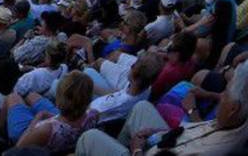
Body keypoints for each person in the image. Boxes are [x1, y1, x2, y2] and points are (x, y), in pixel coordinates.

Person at [76, 59, 248, 155]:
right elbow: (193, 134)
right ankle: (118, 147)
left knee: (89, 137)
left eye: (225, 94)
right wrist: (160, 133)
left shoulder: (216, 150)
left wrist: (136, 150)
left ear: (233, 108)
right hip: (169, 140)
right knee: (142, 106)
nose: (221, 96)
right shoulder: (236, 122)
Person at [7, 70, 97, 152]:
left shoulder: (47, 130)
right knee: (31, 95)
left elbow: (17, 150)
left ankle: (1, 136)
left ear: (58, 98)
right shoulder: (93, 116)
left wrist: (38, 117)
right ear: (88, 99)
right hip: (60, 120)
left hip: (35, 133)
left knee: (12, 97)